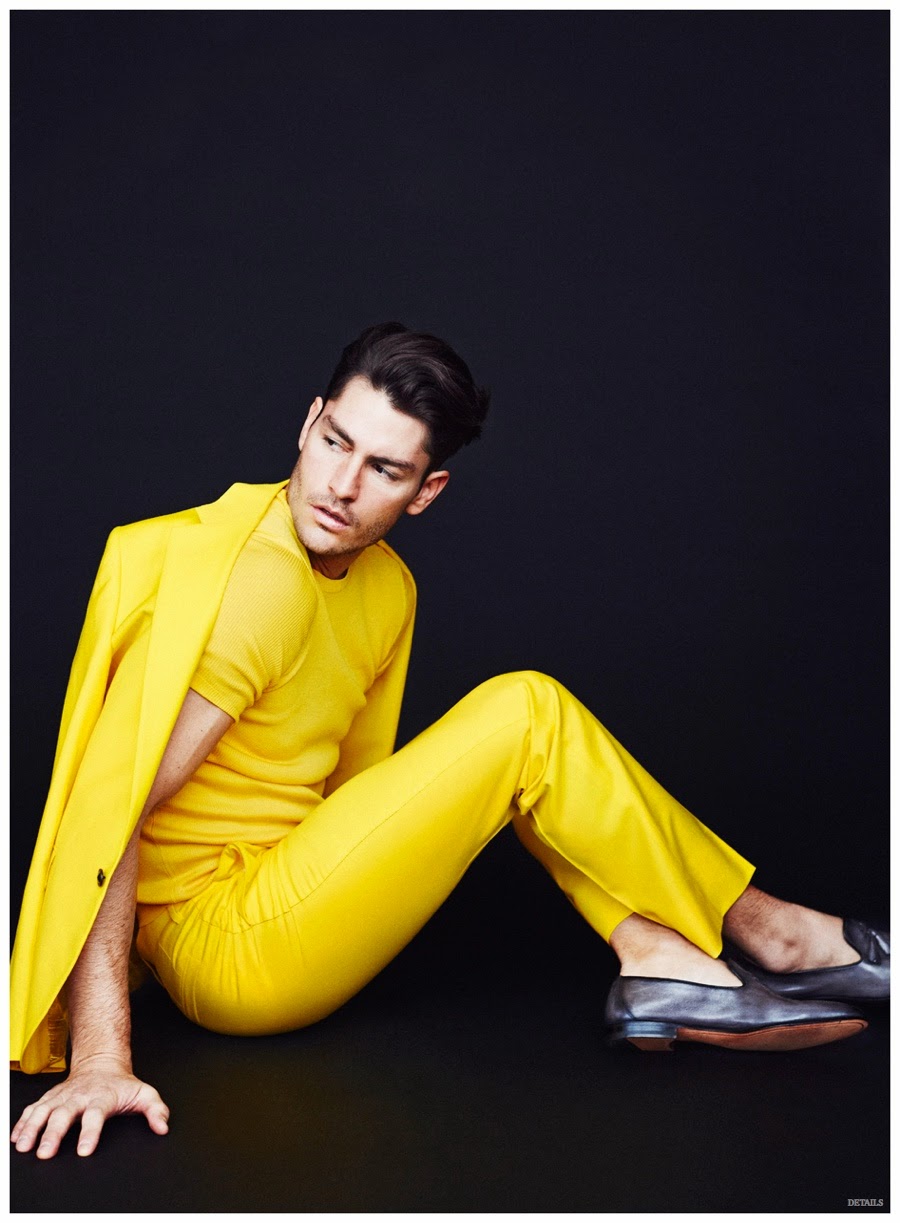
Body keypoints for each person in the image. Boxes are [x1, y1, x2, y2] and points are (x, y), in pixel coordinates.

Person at [10, 322, 889, 1160]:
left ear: (425, 491)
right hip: (223, 948)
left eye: (383, 467)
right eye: (335, 442)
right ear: (309, 422)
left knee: (521, 746)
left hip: (285, 889)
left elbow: (358, 798)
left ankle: (656, 954)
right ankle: (772, 932)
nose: (341, 484)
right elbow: (108, 815)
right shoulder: (255, 586)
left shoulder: (387, 589)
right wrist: (101, 1059)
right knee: (525, 713)